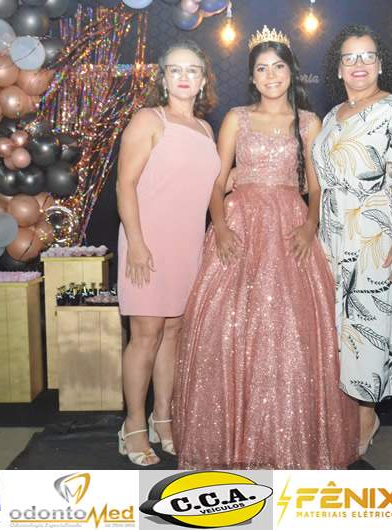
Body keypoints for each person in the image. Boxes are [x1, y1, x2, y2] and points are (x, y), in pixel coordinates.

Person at [172, 26, 359, 469]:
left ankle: (290, 441)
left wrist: (309, 226)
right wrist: (220, 226)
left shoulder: (308, 122)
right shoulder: (236, 118)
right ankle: (227, 440)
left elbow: (317, 186)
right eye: (262, 68)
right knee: (228, 326)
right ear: (252, 77)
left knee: (292, 330)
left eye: (278, 67)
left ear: (291, 72)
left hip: (290, 224)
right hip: (239, 223)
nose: (271, 75)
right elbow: (217, 180)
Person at [313, 25, 392, 456]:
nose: (358, 64)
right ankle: (347, 416)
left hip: (378, 235)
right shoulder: (331, 117)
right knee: (340, 333)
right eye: (350, 57)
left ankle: (364, 422)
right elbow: (321, 180)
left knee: (368, 330)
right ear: (338, 69)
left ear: (380, 64)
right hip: (334, 237)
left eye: (367, 56)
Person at [115, 41, 220, 466]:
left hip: (187, 244)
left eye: (192, 70)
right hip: (148, 241)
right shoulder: (149, 119)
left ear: (203, 80)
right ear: (162, 78)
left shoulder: (206, 130)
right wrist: (137, 242)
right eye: (175, 69)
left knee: (173, 332)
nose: (183, 77)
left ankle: (163, 419)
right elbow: (125, 185)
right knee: (146, 335)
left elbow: (207, 187)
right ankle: (132, 425)